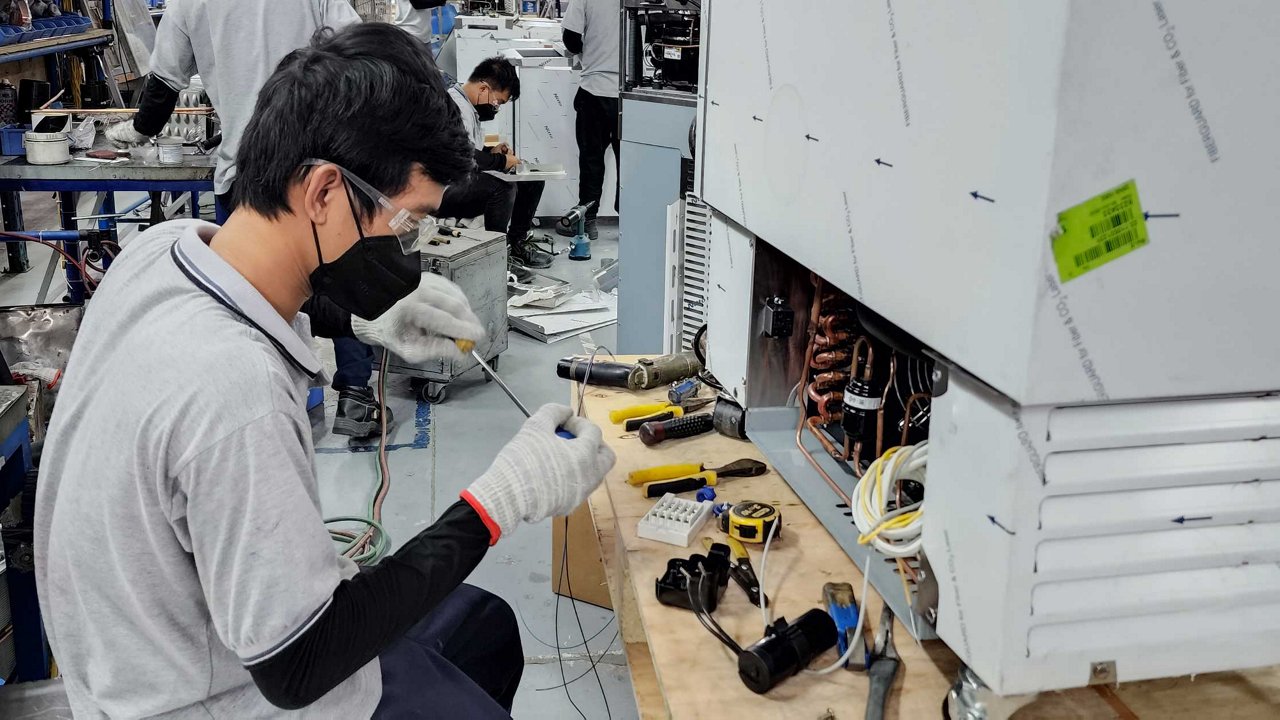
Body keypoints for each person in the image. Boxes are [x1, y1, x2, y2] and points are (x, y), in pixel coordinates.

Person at [36, 24, 615, 719]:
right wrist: (502, 499)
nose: (411, 247)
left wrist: (360, 320)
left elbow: (253, 305)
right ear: (322, 192)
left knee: (485, 628)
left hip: (161, 647)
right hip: (225, 694)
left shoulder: (159, 252)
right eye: (407, 224)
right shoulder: (232, 391)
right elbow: (299, 663)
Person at [105, 1, 393, 439]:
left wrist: (140, 131)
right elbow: (358, 52)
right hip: (318, 168)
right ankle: (354, 394)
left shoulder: (190, 3)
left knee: (248, 297)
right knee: (340, 275)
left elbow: (164, 83)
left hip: (246, 167)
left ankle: (254, 404)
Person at [438, 57, 554, 270]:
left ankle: (516, 243)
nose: (496, 108)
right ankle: (498, 259)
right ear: (483, 89)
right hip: (441, 190)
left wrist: (490, 153)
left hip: (461, 178)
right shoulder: (454, 106)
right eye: (498, 102)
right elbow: (462, 156)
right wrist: (500, 161)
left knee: (531, 180)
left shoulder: (468, 107)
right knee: (500, 188)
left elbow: (468, 149)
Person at [560, 0, 620, 242]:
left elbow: (571, 40)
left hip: (594, 90)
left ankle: (587, 220)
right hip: (629, 95)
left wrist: (591, 48)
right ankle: (632, 220)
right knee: (629, 162)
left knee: (592, 160)